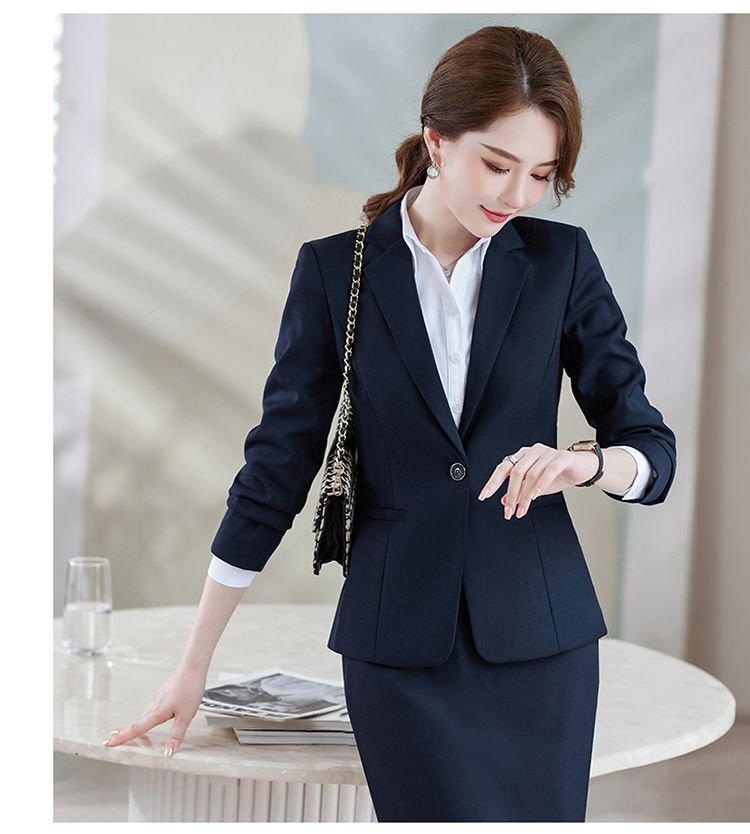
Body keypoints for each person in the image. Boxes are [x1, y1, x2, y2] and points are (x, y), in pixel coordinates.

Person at [103, 24, 676, 822]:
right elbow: (275, 471)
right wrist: (193, 662)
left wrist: (585, 463)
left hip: (542, 644)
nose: (518, 195)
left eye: (542, 174)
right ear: (437, 140)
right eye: (497, 164)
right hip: (398, 649)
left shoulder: (562, 263)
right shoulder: (334, 270)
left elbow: (650, 446)